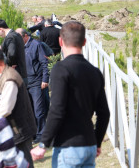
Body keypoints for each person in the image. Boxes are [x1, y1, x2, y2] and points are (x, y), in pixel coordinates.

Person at [31, 21, 110, 167]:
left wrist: (43, 144)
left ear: (60, 41)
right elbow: (104, 113)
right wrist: (97, 142)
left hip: (68, 145)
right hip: (89, 144)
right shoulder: (95, 71)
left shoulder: (61, 69)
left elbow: (57, 110)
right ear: (84, 42)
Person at [0, 46, 37, 168]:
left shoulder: (9, 78)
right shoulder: (3, 75)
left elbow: (6, 108)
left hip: (20, 131)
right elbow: (7, 98)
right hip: (15, 130)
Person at [16, 28, 50, 144]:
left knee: (38, 110)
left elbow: (44, 63)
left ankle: (42, 134)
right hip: (25, 82)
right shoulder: (19, 47)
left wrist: (45, 79)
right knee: (29, 110)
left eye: (18, 37)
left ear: (25, 36)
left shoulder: (36, 45)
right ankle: (34, 133)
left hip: (36, 81)